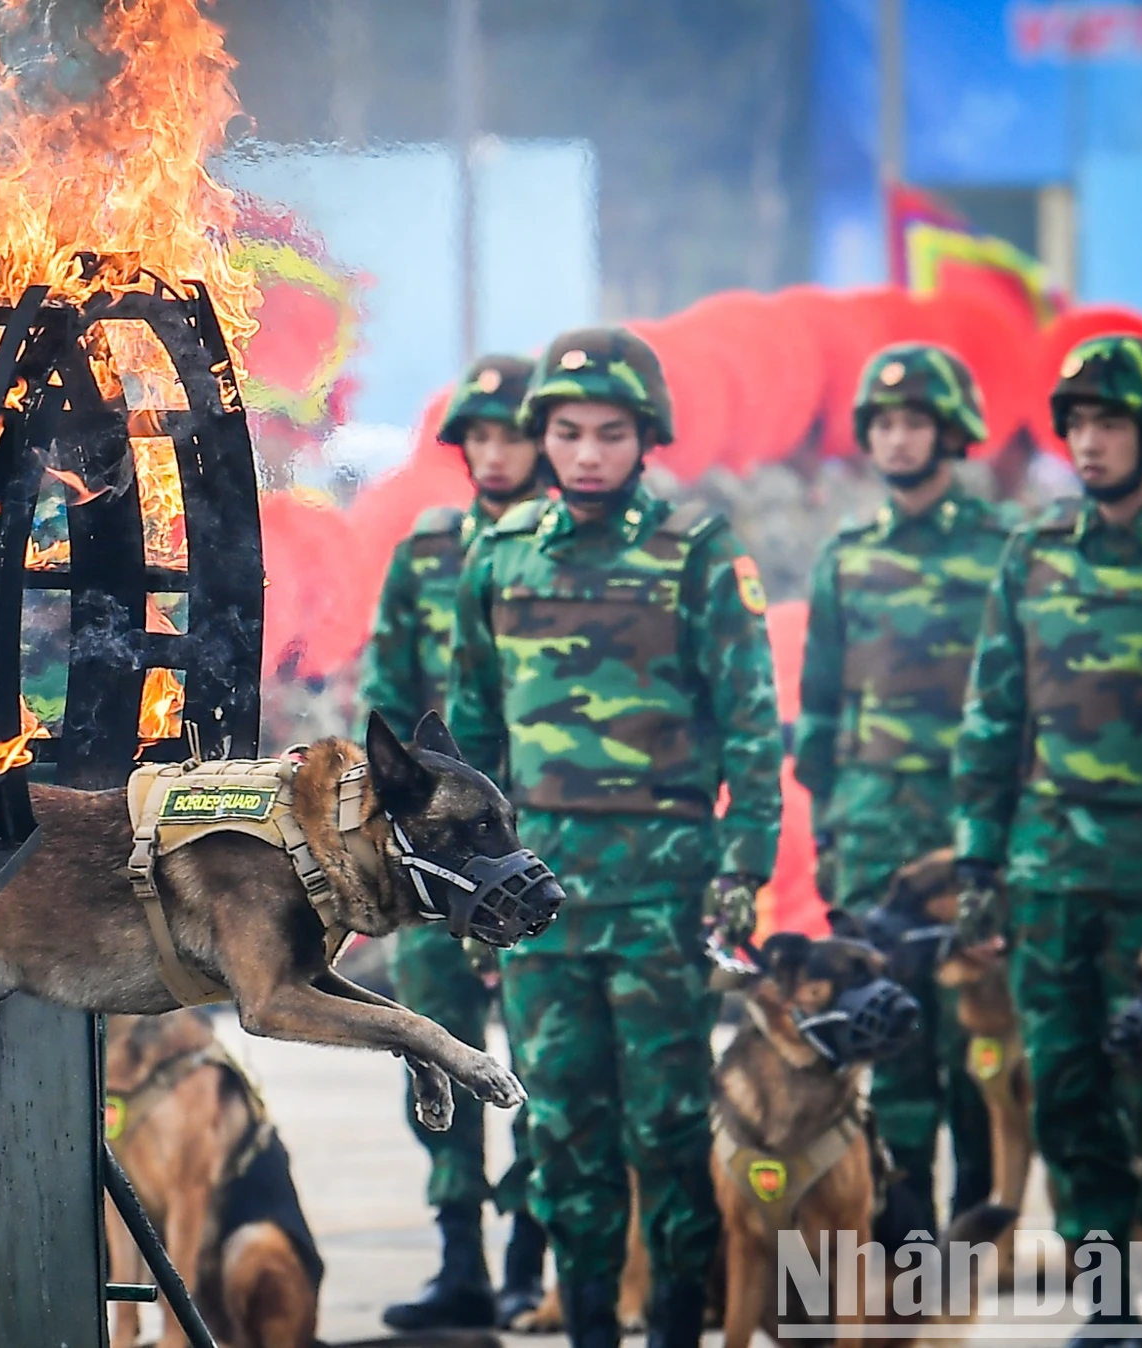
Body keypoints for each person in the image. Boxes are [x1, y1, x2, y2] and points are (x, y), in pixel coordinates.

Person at [449, 327, 783, 1348]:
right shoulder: (496, 559)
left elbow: (751, 727)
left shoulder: (696, 551)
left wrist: (740, 874)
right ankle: (591, 1324)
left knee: (669, 1131)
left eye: (607, 432)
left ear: (646, 437)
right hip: (539, 898)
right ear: (539, 437)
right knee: (564, 1131)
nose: (585, 452)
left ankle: (677, 1325)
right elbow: (471, 739)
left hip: (663, 896)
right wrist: (464, 886)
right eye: (565, 431)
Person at [952, 333, 1142, 1342]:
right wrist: (977, 859)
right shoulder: (1033, 552)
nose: (1087, 444)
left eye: (1110, 424)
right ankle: (1104, 1293)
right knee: (1064, 1089)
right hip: (1048, 871)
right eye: (1077, 424)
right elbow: (991, 715)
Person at [793, 343, 1002, 1227]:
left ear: (948, 432)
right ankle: (906, 1222)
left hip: (971, 832)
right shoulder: (847, 556)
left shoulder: (1006, 551)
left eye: (916, 421)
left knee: (976, 1035)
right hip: (876, 833)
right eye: (883, 422)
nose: (900, 437)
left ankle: (978, 1210)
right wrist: (835, 830)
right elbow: (820, 705)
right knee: (893, 1029)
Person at [362, 354, 551, 1332]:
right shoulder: (426, 549)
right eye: (474, 436)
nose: (490, 451)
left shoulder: (558, 553)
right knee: (434, 1047)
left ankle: (528, 1253)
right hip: (433, 860)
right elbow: (387, 703)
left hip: (526, 846)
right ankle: (458, 1262)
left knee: (538, 1053)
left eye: (507, 433)